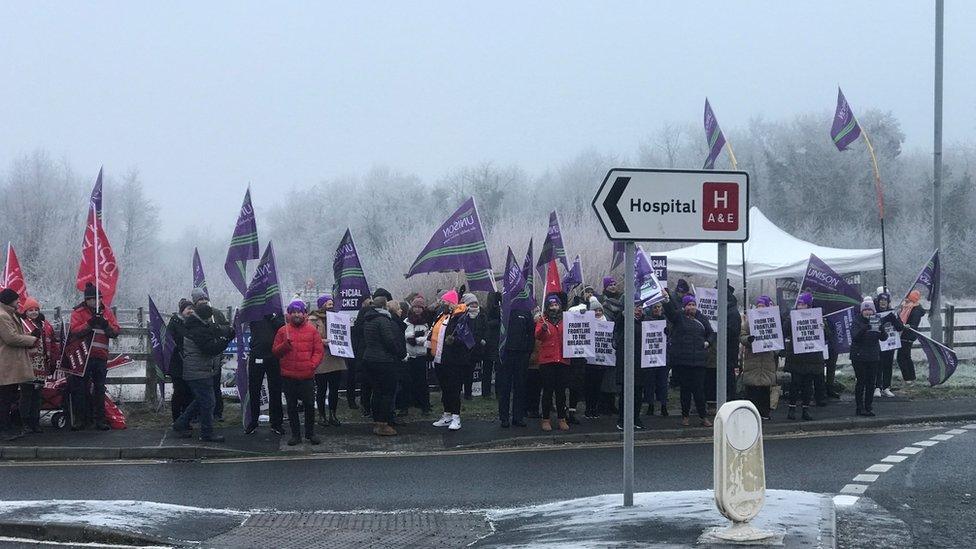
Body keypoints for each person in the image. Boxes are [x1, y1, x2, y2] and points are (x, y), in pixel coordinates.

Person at [173, 301, 234, 442]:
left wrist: (226, 331)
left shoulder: (195, 325)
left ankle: (180, 423)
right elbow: (210, 348)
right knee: (208, 402)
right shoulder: (198, 330)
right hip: (198, 370)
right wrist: (226, 339)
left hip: (197, 369)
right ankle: (206, 433)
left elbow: (213, 329)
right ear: (205, 318)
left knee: (201, 400)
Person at [68, 283, 121, 431]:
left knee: (99, 389)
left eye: (97, 299)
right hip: (83, 356)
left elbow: (116, 332)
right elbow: (74, 331)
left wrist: (105, 325)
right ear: (86, 300)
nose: (95, 302)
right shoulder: (78, 312)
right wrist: (89, 324)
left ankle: (100, 420)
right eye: (91, 299)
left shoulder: (107, 312)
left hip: (100, 356)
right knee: (80, 389)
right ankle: (81, 419)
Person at [272, 300, 325, 445]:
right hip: (289, 376)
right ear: (289, 314)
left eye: (299, 312)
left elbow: (318, 351)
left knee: (309, 405)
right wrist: (284, 345)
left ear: (304, 313)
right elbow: (275, 352)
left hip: (306, 375)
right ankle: (296, 435)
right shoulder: (283, 331)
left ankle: (310, 433)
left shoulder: (312, 330)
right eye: (293, 312)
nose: (296, 314)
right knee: (291, 406)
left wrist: (311, 365)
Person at [662, 291, 714, 427]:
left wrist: (708, 342)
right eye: (689, 305)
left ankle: (703, 416)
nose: (691, 307)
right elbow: (670, 312)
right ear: (684, 306)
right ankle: (685, 416)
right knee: (685, 390)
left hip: (699, 361)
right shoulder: (679, 317)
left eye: (693, 304)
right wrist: (666, 300)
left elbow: (710, 333)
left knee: (699, 391)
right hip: (683, 361)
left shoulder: (702, 318)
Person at [433, 291, 477, 431]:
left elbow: (468, 337)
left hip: (455, 360)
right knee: (445, 388)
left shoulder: (462, 317)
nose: (442, 304)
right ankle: (446, 414)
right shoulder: (442, 316)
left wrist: (455, 340)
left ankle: (456, 417)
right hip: (440, 358)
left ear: (452, 303)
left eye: (445, 301)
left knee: (454, 388)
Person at [0, 289, 40, 434]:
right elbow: (11, 338)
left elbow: (16, 334)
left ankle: (7, 425)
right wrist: (32, 339)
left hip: (12, 363)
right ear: (10, 300)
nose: (19, 302)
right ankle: (4, 427)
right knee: (5, 397)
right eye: (17, 299)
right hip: (7, 362)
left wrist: (29, 335)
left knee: (9, 396)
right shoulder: (3, 316)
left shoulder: (9, 314)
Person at [20, 297, 61, 434]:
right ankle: (24, 422)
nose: (33, 312)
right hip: (27, 365)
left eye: (36, 310)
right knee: (26, 394)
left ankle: (35, 422)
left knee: (37, 395)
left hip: (42, 365)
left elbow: (53, 343)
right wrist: (32, 336)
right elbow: (19, 342)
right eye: (30, 310)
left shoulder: (45, 325)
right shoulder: (22, 324)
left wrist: (54, 360)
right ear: (25, 311)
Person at [781, 292, 823, 421]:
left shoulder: (817, 317)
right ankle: (792, 408)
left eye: (803, 304)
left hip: (812, 357)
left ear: (809, 305)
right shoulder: (792, 316)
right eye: (799, 304)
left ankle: (805, 409)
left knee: (808, 385)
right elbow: (785, 331)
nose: (801, 306)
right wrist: (790, 318)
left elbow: (827, 335)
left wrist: (823, 326)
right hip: (797, 357)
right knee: (795, 383)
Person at [191, 287, 228, 422]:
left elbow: (226, 328)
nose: (203, 301)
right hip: (199, 357)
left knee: (215, 385)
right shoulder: (192, 315)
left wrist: (218, 332)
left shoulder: (216, 313)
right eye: (200, 299)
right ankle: (198, 414)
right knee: (200, 389)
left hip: (215, 355)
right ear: (195, 302)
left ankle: (218, 412)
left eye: (205, 298)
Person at [308, 295, 346, 427]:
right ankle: (322, 416)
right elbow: (309, 338)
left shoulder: (338, 317)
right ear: (322, 305)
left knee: (334, 389)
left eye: (331, 304)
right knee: (322, 389)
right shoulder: (313, 319)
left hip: (336, 357)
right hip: (322, 358)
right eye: (328, 304)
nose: (330, 306)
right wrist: (322, 341)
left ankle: (333, 414)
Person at [245, 310, 286, 435]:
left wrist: (272, 317)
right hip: (257, 354)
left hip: (274, 355)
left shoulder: (278, 311)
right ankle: (252, 421)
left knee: (275, 389)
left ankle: (276, 423)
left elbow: (283, 327)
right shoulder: (254, 309)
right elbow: (242, 321)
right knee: (254, 389)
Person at [497, 298, 535, 428]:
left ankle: (518, 417)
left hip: (521, 354)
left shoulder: (526, 312)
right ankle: (504, 417)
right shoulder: (503, 310)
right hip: (506, 353)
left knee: (520, 386)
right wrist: (496, 298)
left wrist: (528, 351)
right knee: (505, 387)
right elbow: (494, 320)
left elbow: (531, 333)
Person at [535, 295, 570, 431]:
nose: (554, 307)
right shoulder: (543, 319)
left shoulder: (566, 319)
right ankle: (546, 419)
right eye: (551, 305)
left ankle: (562, 418)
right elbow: (537, 335)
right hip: (547, 359)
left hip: (562, 359)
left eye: (556, 305)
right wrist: (542, 329)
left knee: (561, 391)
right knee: (548, 391)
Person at [740, 295, 778, 420]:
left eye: (763, 306)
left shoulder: (773, 320)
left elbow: (778, 337)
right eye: (758, 306)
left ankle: (764, 413)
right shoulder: (750, 321)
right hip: (753, 359)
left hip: (766, 360)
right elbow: (742, 335)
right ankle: (751, 414)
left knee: (765, 389)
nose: (760, 308)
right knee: (752, 389)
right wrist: (749, 340)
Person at [850, 298, 889, 416]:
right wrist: (865, 328)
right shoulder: (856, 320)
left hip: (873, 355)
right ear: (862, 311)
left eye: (870, 310)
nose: (868, 312)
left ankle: (868, 406)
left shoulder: (877, 320)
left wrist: (881, 329)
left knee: (871, 382)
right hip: (859, 356)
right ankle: (859, 407)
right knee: (861, 381)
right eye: (865, 310)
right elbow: (855, 337)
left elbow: (883, 338)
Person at [616, 303, 646, 430]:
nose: (638, 309)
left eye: (640, 307)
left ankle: (636, 418)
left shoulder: (644, 322)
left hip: (641, 362)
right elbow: (619, 324)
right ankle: (622, 419)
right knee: (626, 393)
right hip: (627, 362)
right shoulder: (625, 321)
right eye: (635, 306)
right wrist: (624, 314)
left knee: (638, 393)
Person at [403, 296, 432, 416]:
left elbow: (428, 337)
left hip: (421, 355)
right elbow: (406, 336)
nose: (418, 309)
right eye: (416, 307)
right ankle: (408, 404)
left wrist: (416, 339)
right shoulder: (406, 321)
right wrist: (416, 335)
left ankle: (424, 405)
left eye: (420, 307)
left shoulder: (426, 321)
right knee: (407, 381)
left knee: (422, 381)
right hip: (409, 355)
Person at [873, 292, 904, 398]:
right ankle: (877, 387)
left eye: (885, 301)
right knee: (878, 365)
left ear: (888, 302)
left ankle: (886, 387)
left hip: (890, 343)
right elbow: (874, 327)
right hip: (878, 343)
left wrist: (894, 318)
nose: (883, 302)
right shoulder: (874, 312)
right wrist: (886, 318)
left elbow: (900, 327)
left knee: (888, 365)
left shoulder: (893, 313)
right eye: (881, 300)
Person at [168, 299, 194, 422]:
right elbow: (170, 342)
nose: (191, 311)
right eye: (188, 308)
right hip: (177, 362)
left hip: (190, 362)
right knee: (179, 391)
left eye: (192, 309)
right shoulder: (174, 322)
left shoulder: (194, 323)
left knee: (189, 391)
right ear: (182, 310)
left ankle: (186, 418)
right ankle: (176, 418)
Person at [644, 301, 670, 417]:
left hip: (663, 356)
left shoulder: (667, 320)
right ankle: (651, 405)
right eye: (655, 307)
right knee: (650, 383)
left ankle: (664, 406)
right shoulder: (646, 320)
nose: (657, 309)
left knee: (663, 383)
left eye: (659, 307)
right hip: (650, 356)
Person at [583, 297, 607, 419]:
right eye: (595, 310)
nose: (598, 313)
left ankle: (595, 408)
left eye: (600, 310)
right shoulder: (586, 324)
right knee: (589, 386)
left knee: (598, 386)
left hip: (602, 360)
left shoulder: (607, 323)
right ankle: (588, 408)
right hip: (589, 361)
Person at [461, 293, 487, 400]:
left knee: (471, 372)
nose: (474, 305)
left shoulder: (482, 315)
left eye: (476, 303)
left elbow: (486, 329)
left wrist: (484, 339)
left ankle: (469, 393)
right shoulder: (463, 316)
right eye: (472, 303)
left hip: (477, 348)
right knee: (464, 372)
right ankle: (464, 392)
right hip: (465, 348)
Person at [897, 290, 926, 384]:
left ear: (912, 299)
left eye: (908, 298)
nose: (906, 300)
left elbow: (914, 324)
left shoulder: (915, 310)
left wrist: (907, 326)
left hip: (908, 335)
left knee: (901, 358)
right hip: (904, 334)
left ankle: (907, 378)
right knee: (906, 356)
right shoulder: (907, 308)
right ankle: (911, 377)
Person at [481, 291, 502, 399]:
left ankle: (495, 391)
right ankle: (487, 392)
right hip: (490, 342)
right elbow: (486, 323)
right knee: (489, 368)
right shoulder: (486, 311)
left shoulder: (500, 309)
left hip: (496, 341)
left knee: (495, 368)